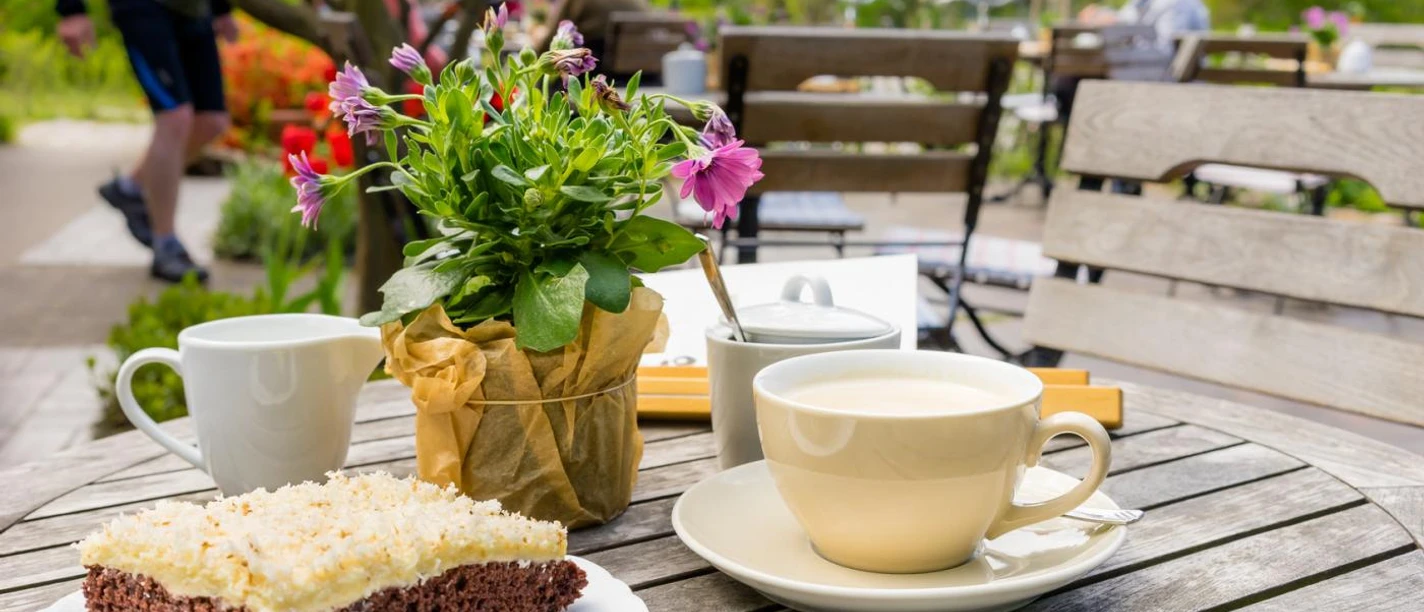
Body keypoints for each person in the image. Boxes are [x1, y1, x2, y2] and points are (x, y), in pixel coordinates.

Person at [56, 0, 238, 283]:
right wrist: (72, 10)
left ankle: (130, 187)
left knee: (211, 121)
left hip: (194, 9)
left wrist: (222, 8)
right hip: (143, 8)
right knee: (175, 117)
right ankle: (165, 244)